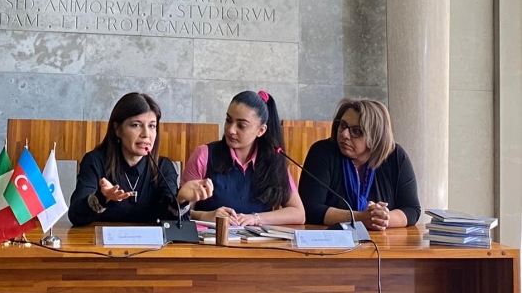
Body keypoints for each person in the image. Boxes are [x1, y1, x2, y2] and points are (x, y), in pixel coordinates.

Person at [68, 92, 213, 226]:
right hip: (100, 243)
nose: (146, 134)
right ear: (117, 129)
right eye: (136, 125)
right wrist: (101, 197)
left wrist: (180, 199)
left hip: (151, 245)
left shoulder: (164, 167)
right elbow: (76, 216)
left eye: (152, 126)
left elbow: (171, 222)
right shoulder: (95, 161)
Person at [182, 90, 305, 225]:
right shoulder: (204, 155)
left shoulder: (272, 160)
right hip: (210, 237)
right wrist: (206, 216)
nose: (231, 130)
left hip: (255, 238)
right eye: (228, 120)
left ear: (261, 130)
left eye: (241, 126)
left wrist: (255, 218)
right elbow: (180, 210)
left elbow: (298, 213)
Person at [298, 98, 421, 230]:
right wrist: (360, 218)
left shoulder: (395, 156)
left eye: (356, 131)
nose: (344, 134)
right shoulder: (322, 152)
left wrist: (382, 218)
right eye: (342, 125)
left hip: (383, 239)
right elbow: (310, 208)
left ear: (375, 137)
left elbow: (412, 210)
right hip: (333, 238)